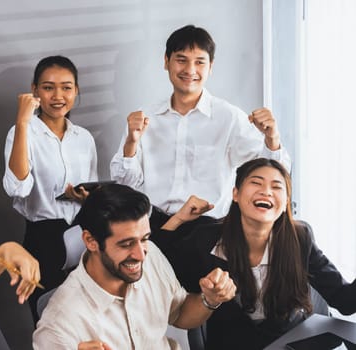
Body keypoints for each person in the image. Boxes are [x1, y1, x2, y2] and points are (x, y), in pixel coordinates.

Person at [110, 24, 291, 236]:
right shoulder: (145, 116)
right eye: (181, 60)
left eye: (199, 62)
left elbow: (274, 173)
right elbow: (124, 185)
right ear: (166, 62)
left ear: (210, 67)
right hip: (154, 225)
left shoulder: (229, 117)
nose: (190, 70)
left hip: (210, 230)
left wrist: (272, 138)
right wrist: (131, 143)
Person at [165, 158, 356, 349]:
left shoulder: (300, 238)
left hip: (289, 343)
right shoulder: (206, 239)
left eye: (276, 187)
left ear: (286, 202)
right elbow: (161, 270)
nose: (266, 191)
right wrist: (178, 219)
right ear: (236, 194)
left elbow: (345, 301)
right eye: (256, 183)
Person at [32, 184, 236, 350]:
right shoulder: (59, 326)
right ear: (91, 241)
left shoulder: (151, 254)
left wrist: (209, 299)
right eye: (126, 244)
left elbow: (180, 313)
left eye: (144, 239)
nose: (140, 255)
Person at [3, 55, 98, 320]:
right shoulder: (22, 132)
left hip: (83, 236)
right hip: (43, 240)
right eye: (48, 87)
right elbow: (17, 187)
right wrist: (22, 122)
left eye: (67, 87)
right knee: (50, 323)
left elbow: (93, 193)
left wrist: (84, 197)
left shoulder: (84, 138)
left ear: (76, 91)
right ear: (34, 91)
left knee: (88, 319)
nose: (58, 96)